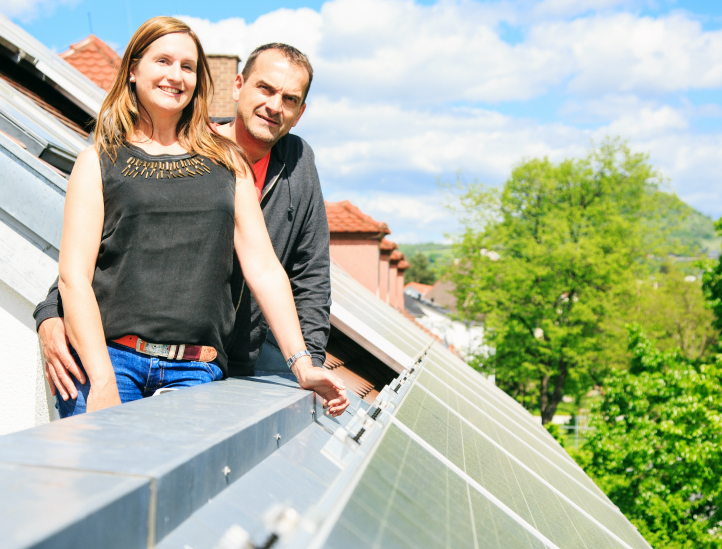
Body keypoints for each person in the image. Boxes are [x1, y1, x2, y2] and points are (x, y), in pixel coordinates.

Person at [45, 17, 348, 417]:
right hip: (112, 360)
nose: (176, 75)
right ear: (133, 70)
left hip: (196, 369)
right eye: (163, 61)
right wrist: (99, 378)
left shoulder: (227, 163)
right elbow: (75, 275)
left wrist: (303, 363)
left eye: (187, 67)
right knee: (99, 477)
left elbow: (266, 268)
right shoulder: (96, 161)